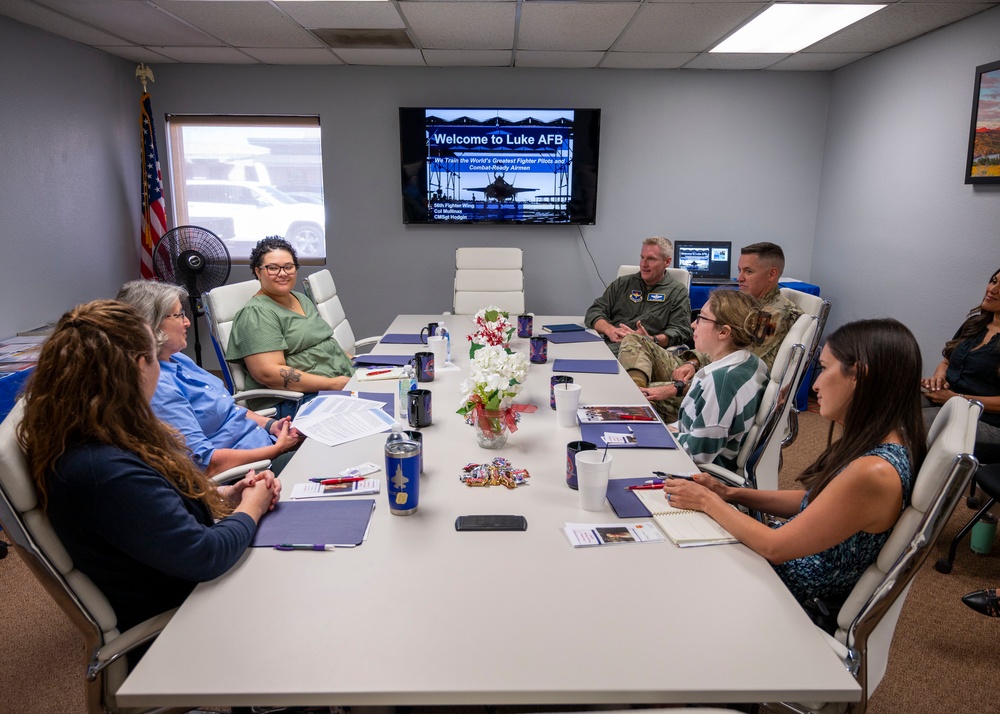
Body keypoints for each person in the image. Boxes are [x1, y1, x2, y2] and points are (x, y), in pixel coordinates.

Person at [17, 300, 280, 633]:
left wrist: (228, 495)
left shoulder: (102, 431)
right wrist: (252, 507)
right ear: (139, 367)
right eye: (156, 358)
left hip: (192, 587)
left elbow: (158, 507)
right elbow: (205, 555)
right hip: (184, 620)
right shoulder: (104, 472)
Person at [661, 318, 926, 625]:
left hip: (788, 593)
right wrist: (728, 493)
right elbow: (816, 501)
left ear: (859, 376)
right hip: (786, 572)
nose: (815, 384)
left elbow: (775, 547)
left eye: (824, 369)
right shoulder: (888, 441)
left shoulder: (874, 472)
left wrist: (708, 502)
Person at [116, 280, 303, 477]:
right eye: (179, 315)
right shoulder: (158, 387)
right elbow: (207, 464)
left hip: (264, 445)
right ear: (152, 323)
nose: (187, 322)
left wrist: (270, 425)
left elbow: (226, 407)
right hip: (249, 473)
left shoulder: (177, 358)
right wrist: (278, 449)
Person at [619, 241, 803, 422]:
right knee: (635, 339)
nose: (739, 278)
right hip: (702, 371)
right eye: (739, 270)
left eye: (748, 271)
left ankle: (634, 398)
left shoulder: (772, 317)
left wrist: (677, 387)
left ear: (772, 274)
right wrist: (692, 362)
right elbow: (722, 348)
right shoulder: (748, 305)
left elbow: (737, 372)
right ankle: (635, 392)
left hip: (718, 390)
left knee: (637, 395)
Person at [227, 236, 355, 416]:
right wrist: (333, 384)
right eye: (273, 268)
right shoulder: (257, 314)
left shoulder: (299, 298)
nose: (282, 273)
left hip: (337, 381)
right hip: (294, 400)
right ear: (258, 271)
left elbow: (322, 343)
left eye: (288, 267)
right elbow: (269, 374)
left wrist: (355, 363)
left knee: (399, 388)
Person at [669, 289, 770, 470]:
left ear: (723, 332)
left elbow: (700, 452)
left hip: (698, 473)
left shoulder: (720, 383)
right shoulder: (753, 362)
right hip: (690, 443)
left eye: (701, 318)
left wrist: (661, 435)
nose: (693, 324)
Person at [921, 266, 1000, 460]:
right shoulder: (974, 324)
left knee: (913, 426)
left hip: (988, 421)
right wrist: (939, 378)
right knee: (892, 407)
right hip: (950, 400)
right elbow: (946, 362)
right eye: (994, 281)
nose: (992, 289)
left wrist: (956, 398)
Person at [584, 236, 692, 356]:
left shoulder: (677, 292)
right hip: (608, 345)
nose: (643, 264)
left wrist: (651, 339)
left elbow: (681, 330)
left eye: (651, 259)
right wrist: (610, 330)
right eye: (642, 257)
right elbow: (594, 311)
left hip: (643, 351)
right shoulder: (622, 284)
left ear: (667, 262)